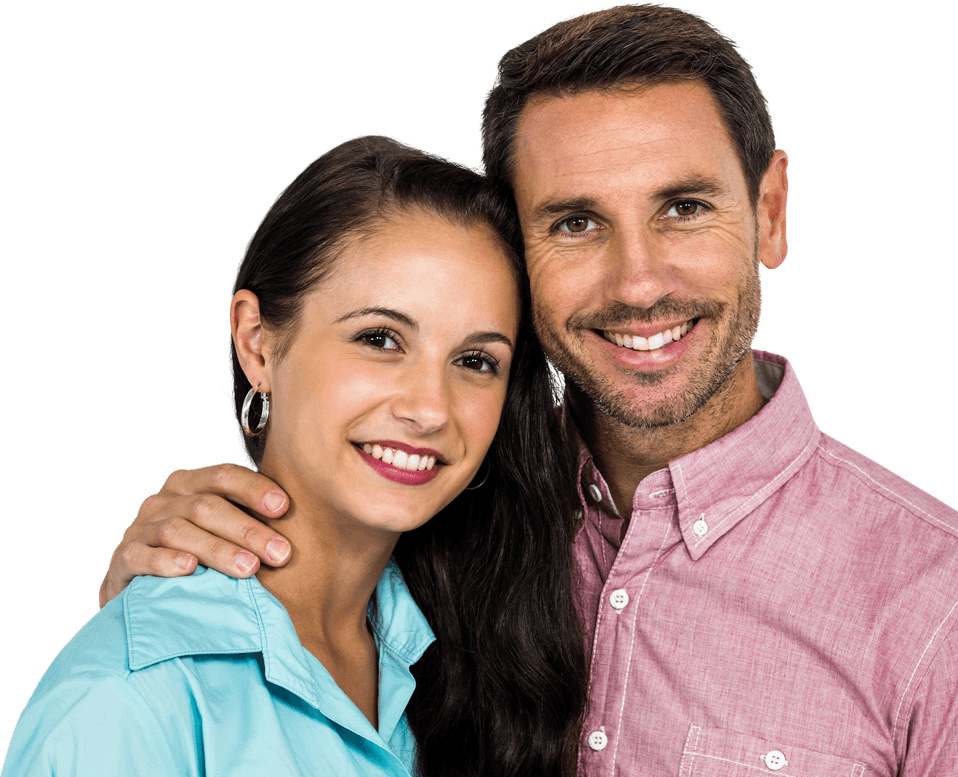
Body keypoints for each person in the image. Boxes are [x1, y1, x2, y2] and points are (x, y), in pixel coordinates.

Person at [95, 5, 958, 775]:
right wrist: (160, 575)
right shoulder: (428, 510)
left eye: (685, 208)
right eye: (573, 223)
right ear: (514, 256)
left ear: (769, 213)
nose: (638, 282)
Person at [2, 136, 587, 776]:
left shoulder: (478, 654)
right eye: (380, 338)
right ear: (257, 344)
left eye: (476, 361)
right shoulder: (128, 703)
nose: (431, 408)